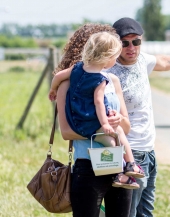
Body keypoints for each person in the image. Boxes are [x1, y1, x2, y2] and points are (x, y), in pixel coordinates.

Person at [108, 17, 170, 217]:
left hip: (148, 151)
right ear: (116, 44)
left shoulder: (142, 61)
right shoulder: (109, 71)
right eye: (125, 43)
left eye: (136, 42)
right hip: (127, 153)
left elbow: (164, 61)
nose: (131, 48)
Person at [54, 23, 133, 217]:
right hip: (88, 166)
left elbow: (127, 126)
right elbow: (66, 132)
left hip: (117, 164)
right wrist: (101, 128)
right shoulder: (68, 84)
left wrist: (116, 121)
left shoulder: (112, 80)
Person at [49, 31, 144, 189]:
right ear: (107, 58)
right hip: (91, 127)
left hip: (80, 121)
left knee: (118, 134)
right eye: (115, 56)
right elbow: (99, 102)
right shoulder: (100, 80)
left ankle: (129, 166)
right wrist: (105, 124)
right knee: (114, 141)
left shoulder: (77, 69)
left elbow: (58, 75)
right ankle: (126, 169)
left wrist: (52, 89)